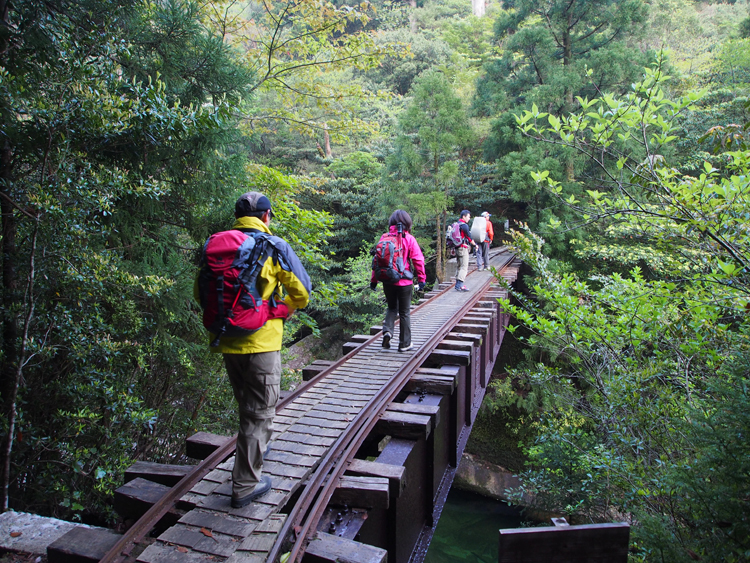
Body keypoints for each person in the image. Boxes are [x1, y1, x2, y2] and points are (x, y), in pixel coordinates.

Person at [198, 192, 312, 508]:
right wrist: (280, 310)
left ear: (237, 216)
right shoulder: (273, 246)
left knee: (248, 406)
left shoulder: (216, 246)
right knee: (259, 411)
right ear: (266, 216)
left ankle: (258, 447)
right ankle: (245, 485)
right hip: (262, 341)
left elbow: (201, 292)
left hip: (226, 340)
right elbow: (302, 292)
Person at [370, 210, 426, 352]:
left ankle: (388, 331)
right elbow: (418, 260)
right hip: (405, 282)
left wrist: (374, 280)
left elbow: (377, 261)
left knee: (391, 307)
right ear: (407, 222)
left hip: (388, 280)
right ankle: (404, 344)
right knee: (404, 312)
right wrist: (421, 279)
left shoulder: (384, 237)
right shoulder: (409, 238)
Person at [455, 209, 475, 291]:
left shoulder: (456, 224)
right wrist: (475, 245)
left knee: (459, 266)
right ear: (464, 216)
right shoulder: (464, 226)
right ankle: (460, 285)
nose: (469, 218)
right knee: (464, 267)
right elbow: (469, 237)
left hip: (457, 248)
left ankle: (457, 285)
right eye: (468, 217)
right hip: (463, 248)